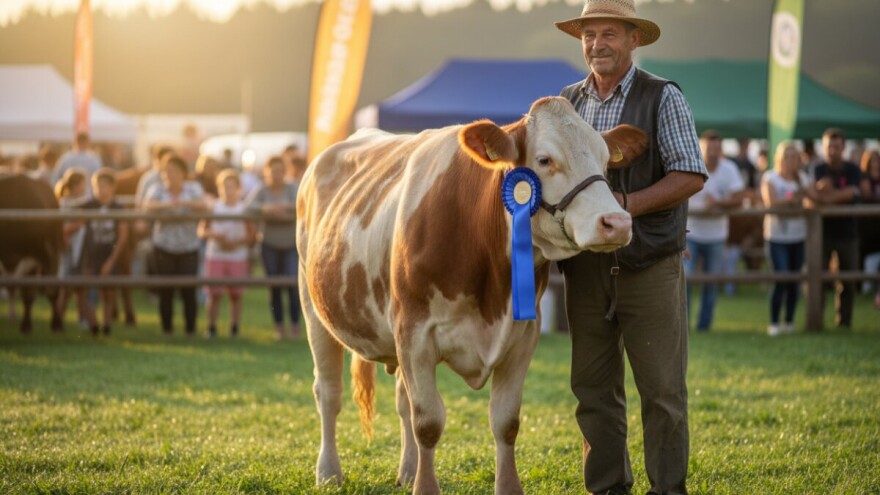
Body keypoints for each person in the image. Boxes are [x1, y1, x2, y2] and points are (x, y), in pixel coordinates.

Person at [554, 1, 706, 493]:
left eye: (609, 34)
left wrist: (625, 205)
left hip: (649, 265)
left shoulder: (663, 96)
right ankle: (607, 489)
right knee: (592, 391)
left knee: (662, 392)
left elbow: (690, 174)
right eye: (589, 34)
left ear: (634, 39)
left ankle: (667, 489)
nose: (597, 44)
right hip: (586, 271)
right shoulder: (566, 103)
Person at [808, 128, 871, 329]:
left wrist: (825, 197)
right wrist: (838, 195)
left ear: (843, 147)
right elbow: (812, 196)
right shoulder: (816, 168)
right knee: (816, 279)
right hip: (821, 234)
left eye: (836, 146)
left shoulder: (853, 169)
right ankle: (816, 322)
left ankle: (844, 323)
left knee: (848, 280)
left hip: (848, 233)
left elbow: (854, 194)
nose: (832, 151)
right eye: (829, 147)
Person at [684, 130, 746, 332]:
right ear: (701, 148)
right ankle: (683, 325)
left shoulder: (729, 168)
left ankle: (704, 326)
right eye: (709, 148)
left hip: (717, 235)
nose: (712, 152)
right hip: (691, 233)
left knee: (711, 282)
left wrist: (718, 202)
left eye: (716, 148)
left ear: (721, 150)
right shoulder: (690, 165)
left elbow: (739, 199)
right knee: (685, 279)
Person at [143, 155, 207, 336]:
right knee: (166, 290)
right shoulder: (157, 189)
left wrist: (182, 203)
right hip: (163, 246)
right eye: (167, 171)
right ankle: (167, 329)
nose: (171, 175)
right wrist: (168, 205)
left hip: (189, 246)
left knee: (189, 290)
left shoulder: (193, 189)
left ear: (183, 173)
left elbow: (203, 204)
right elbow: (147, 205)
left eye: (174, 171)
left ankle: (190, 330)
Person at [760, 142, 814, 336]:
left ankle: (789, 321)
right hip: (776, 237)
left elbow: (813, 198)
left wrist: (791, 204)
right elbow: (771, 203)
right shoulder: (770, 177)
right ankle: (774, 322)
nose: (791, 161)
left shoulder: (803, 179)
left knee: (795, 281)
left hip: (798, 235)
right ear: (780, 158)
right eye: (787, 157)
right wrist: (793, 202)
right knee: (781, 278)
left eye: (794, 157)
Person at [245, 156, 300, 341]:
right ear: (266, 172)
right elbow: (247, 208)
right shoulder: (261, 189)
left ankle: (294, 327)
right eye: (273, 171)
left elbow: (304, 204)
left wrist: (285, 208)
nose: (276, 175)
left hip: (291, 244)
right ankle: (279, 328)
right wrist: (265, 209)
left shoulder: (293, 187)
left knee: (293, 286)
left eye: (280, 171)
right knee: (274, 287)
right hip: (269, 244)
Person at [198, 169, 255, 338]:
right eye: (224, 187)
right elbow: (202, 231)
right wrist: (216, 236)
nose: (228, 191)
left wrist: (235, 243)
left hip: (237, 256)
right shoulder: (214, 208)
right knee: (214, 294)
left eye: (231, 187)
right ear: (219, 188)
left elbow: (251, 234)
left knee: (236, 295)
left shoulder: (243, 209)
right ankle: (211, 326)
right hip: (216, 255)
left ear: (238, 189)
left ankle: (235, 327)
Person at [80, 168, 129, 336]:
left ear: (112, 187)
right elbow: (76, 224)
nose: (100, 189)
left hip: (110, 253)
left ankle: (107, 325)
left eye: (103, 185)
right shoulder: (88, 206)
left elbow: (122, 237)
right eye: (96, 185)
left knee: (108, 291)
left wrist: (111, 261)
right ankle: (94, 325)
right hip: (91, 255)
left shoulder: (118, 207)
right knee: (88, 290)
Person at [54, 168, 93, 332]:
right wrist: (77, 225)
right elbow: (60, 228)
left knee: (82, 286)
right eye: (82, 184)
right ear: (75, 186)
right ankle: (58, 318)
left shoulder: (85, 202)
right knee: (66, 287)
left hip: (82, 248)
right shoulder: (64, 204)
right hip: (69, 249)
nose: (84, 188)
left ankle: (82, 318)